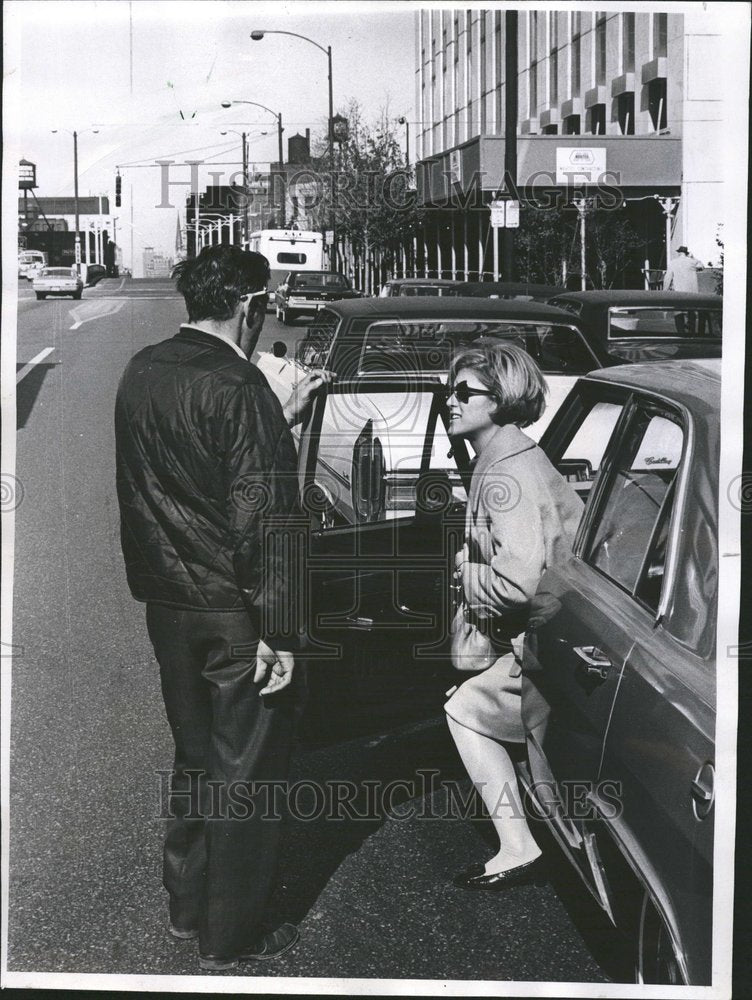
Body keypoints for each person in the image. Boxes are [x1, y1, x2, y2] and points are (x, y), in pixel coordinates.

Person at [115, 244, 326, 970]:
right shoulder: (240, 385)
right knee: (248, 771)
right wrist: (284, 631)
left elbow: (178, 485)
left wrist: (277, 418)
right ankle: (231, 934)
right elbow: (262, 517)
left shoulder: (143, 369)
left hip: (167, 599)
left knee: (195, 756)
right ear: (250, 305)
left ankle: (186, 904)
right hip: (232, 607)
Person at [444, 340, 582, 890]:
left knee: (464, 711)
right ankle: (526, 836)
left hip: (544, 641)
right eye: (447, 391)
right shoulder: (509, 456)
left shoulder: (508, 476)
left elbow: (518, 582)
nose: (449, 401)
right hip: (560, 632)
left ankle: (519, 844)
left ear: (498, 400)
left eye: (462, 392)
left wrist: (465, 572)